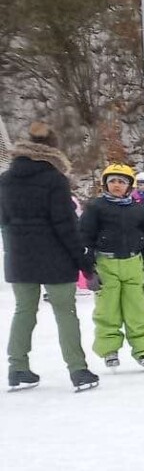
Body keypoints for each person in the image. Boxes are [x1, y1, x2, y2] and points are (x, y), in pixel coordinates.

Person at [1, 121, 99, 392]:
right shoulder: (54, 179)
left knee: (24, 311)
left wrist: (14, 251)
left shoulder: (6, 180)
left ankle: (17, 367)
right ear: (53, 149)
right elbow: (65, 226)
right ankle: (78, 370)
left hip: (19, 257)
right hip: (55, 256)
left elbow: (4, 221)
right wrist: (84, 264)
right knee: (65, 312)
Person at [80, 162, 144, 369]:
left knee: (137, 310)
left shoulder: (139, 210)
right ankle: (109, 350)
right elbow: (84, 239)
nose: (117, 185)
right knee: (107, 311)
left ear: (129, 186)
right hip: (106, 265)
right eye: (112, 181)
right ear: (105, 184)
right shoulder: (96, 208)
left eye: (122, 182)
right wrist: (89, 272)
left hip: (133, 264)